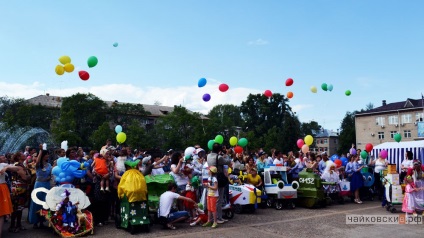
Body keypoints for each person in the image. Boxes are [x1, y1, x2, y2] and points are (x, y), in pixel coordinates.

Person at [206, 143, 232, 224]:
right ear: (219, 150)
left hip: (211, 177)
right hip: (219, 178)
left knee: (213, 198)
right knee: (219, 199)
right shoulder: (219, 157)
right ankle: (218, 218)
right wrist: (227, 155)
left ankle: (214, 217)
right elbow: (228, 161)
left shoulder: (208, 156)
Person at [29, 146, 52, 228]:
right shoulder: (38, 164)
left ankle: (42, 221)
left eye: (48, 155)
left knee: (45, 203)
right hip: (39, 184)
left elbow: (50, 175)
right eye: (46, 155)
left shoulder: (49, 165)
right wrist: (41, 151)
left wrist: (49, 178)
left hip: (47, 185)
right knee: (37, 202)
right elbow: (38, 161)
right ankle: (35, 221)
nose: (48, 156)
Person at [0, 158, 23, 238]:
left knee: (1, 213)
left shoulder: (2, 165)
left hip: (1, 189)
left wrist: (7, 168)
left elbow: (17, 168)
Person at [9, 152, 31, 233]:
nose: (24, 155)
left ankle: (18, 225)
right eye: (22, 155)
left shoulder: (22, 165)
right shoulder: (18, 165)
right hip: (19, 189)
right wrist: (30, 175)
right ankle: (12, 226)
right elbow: (25, 177)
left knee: (19, 208)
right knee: (16, 208)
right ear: (18, 157)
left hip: (20, 188)